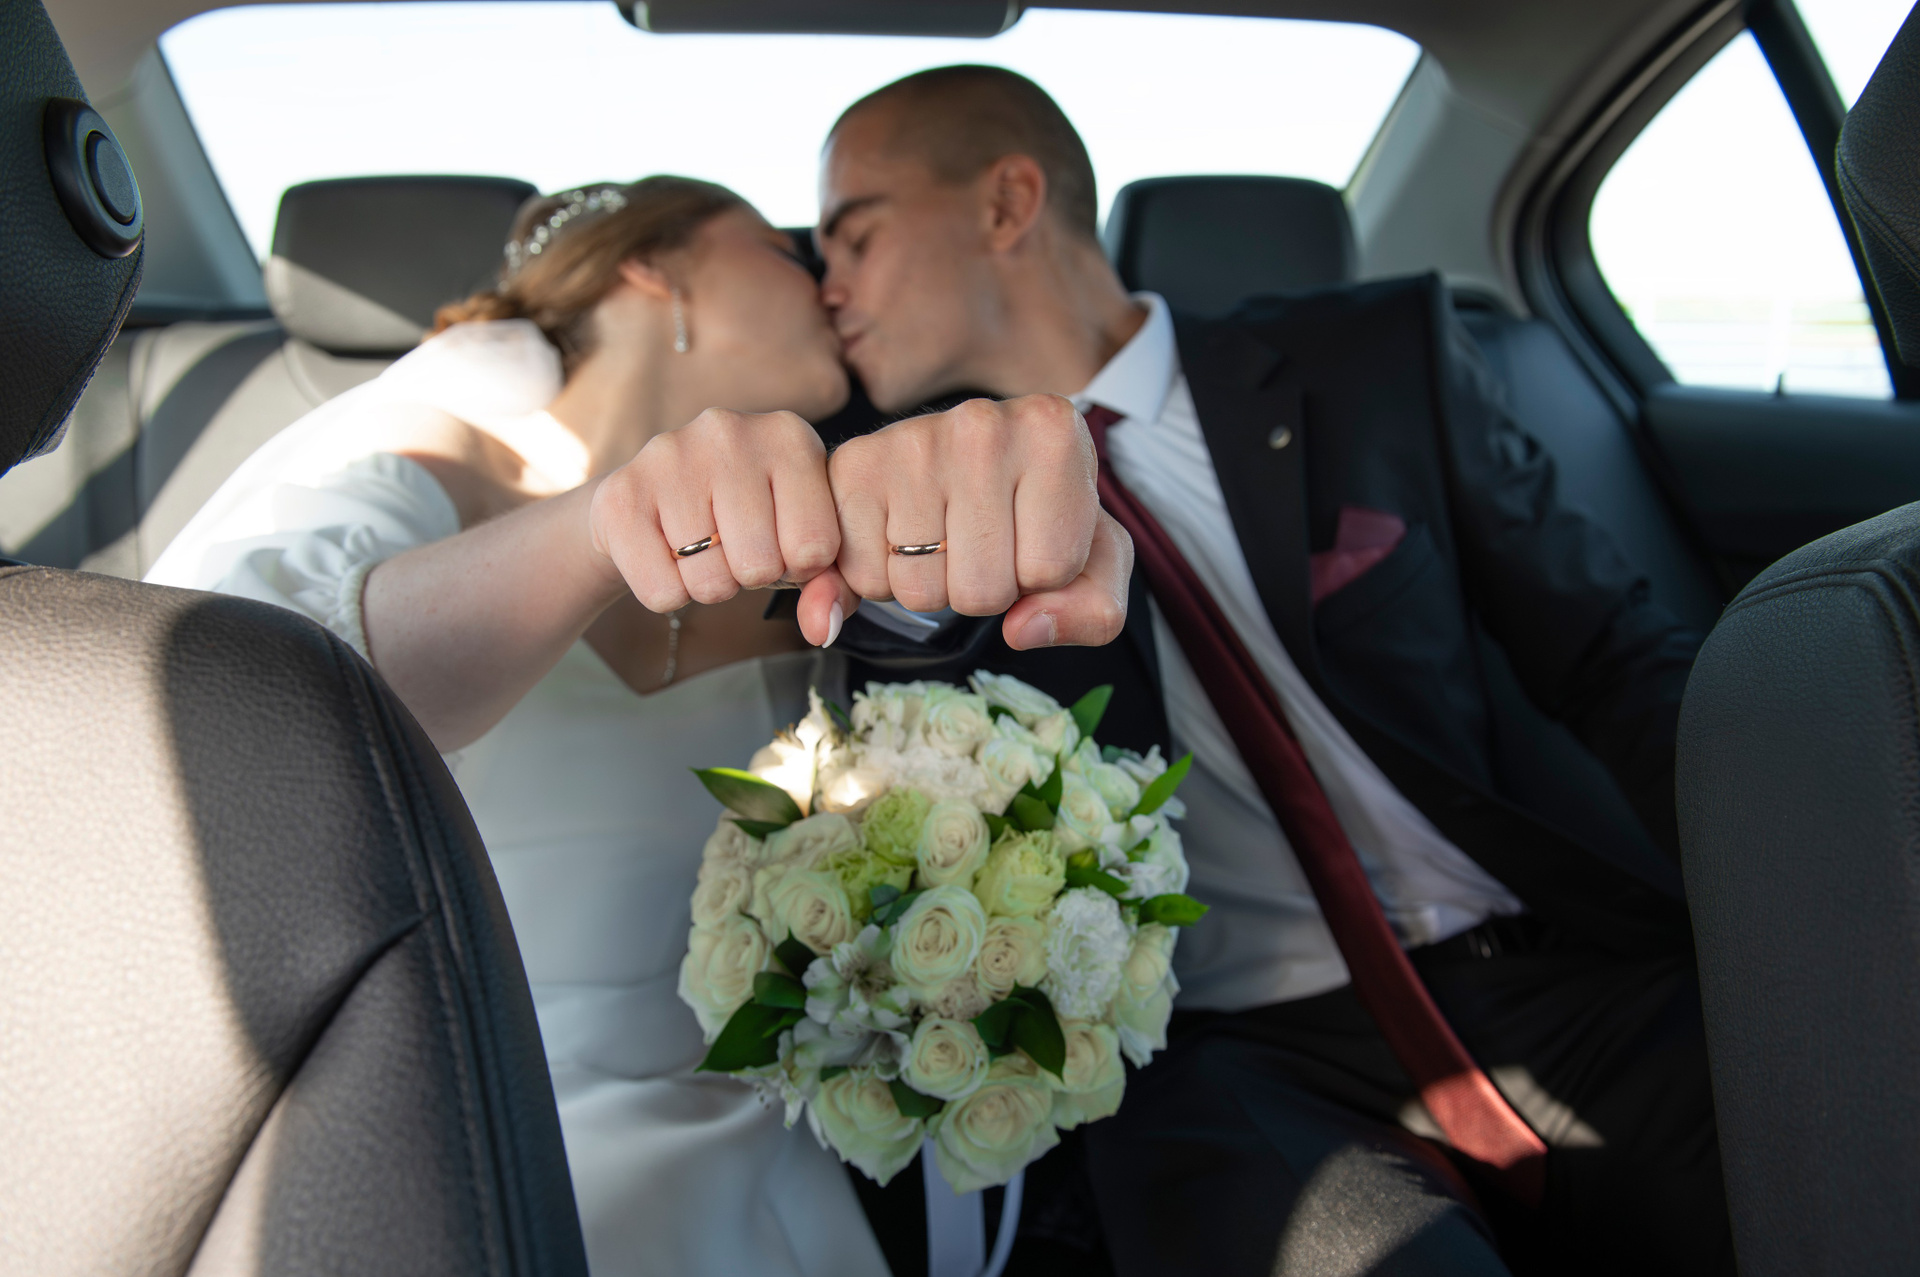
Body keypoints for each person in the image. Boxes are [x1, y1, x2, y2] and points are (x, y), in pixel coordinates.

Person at [815, 66, 1730, 1276]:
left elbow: (1617, 657)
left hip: (1546, 972)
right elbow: (901, 752)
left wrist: (1800, 892)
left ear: (1005, 205)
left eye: (854, 236)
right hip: (1231, 1062)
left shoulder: (1376, 360)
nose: (828, 288)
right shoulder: (917, 506)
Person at [146, 175, 1130, 1277]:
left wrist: (1020, 523)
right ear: (654, 267)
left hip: (755, 1159)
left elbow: (933, 630)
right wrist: (601, 525)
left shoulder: (805, 537)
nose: (825, 283)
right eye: (783, 251)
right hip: (446, 1137)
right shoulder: (427, 450)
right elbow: (253, 697)